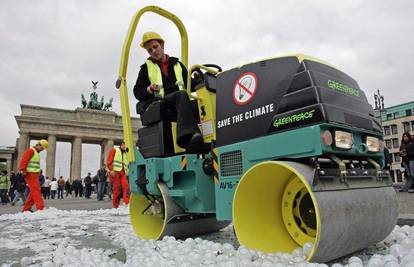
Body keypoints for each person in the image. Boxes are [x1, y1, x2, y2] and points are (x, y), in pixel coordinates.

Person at [133, 32, 203, 150]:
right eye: (150, 50)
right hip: (161, 103)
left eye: (155, 47)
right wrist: (149, 89)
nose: (154, 51)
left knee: (199, 105)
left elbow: (190, 84)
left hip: (179, 104)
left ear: (162, 45)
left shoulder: (177, 65)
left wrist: (201, 79)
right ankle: (186, 138)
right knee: (181, 95)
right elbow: (137, 91)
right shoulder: (146, 68)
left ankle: (202, 142)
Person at [19, 139, 48, 212]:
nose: (42, 150)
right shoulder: (31, 151)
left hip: (34, 174)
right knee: (36, 191)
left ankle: (26, 209)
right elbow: (24, 160)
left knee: (34, 191)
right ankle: (41, 208)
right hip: (30, 174)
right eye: (42, 148)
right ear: (39, 145)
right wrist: (23, 170)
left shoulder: (35, 152)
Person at [107, 142, 130, 208]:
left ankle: (127, 203)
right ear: (122, 144)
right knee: (117, 189)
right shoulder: (114, 150)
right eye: (125, 145)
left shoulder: (126, 153)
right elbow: (109, 161)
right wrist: (111, 170)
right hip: (115, 172)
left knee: (126, 187)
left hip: (123, 173)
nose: (125, 147)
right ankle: (115, 205)